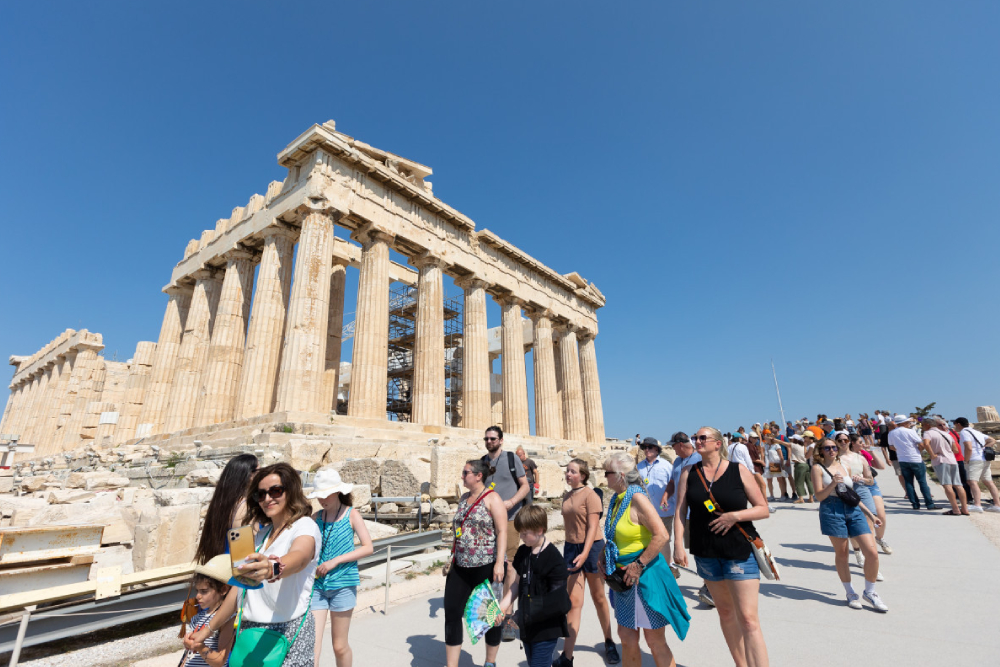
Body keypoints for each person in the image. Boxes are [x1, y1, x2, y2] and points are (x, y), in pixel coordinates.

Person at [187, 463, 321, 666]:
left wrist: (272, 568)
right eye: (261, 494)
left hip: (288, 631)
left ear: (291, 491)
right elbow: (238, 591)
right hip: (250, 632)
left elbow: (300, 556)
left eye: (275, 491)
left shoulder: (304, 526)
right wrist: (206, 631)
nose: (268, 499)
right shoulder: (260, 537)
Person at [673, 427, 770, 667]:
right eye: (695, 437)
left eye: (703, 437)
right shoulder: (688, 472)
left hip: (738, 550)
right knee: (725, 613)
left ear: (718, 444)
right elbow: (679, 511)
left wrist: (734, 516)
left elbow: (763, 508)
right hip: (705, 552)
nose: (697, 440)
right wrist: (678, 544)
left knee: (748, 619)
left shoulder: (739, 470)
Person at [601, 452, 689, 667]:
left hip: (643, 577)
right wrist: (604, 554)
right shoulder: (617, 499)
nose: (604, 477)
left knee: (654, 639)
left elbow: (661, 535)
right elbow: (617, 534)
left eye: (607, 473)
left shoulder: (636, 498)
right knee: (627, 636)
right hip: (623, 578)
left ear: (621, 475)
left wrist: (639, 564)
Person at [444, 459, 509, 667]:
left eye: (465, 473)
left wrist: (500, 562)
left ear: (478, 476)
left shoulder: (493, 498)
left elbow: (502, 531)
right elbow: (459, 529)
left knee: (489, 615)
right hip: (461, 565)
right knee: (452, 612)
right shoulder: (463, 498)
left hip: (486, 565)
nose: (462, 476)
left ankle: (490, 662)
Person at [811, 439, 887, 612]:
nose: (832, 450)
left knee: (872, 552)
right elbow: (819, 496)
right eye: (827, 448)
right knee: (843, 553)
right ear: (820, 450)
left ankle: (870, 592)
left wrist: (870, 514)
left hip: (853, 509)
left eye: (834, 447)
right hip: (832, 510)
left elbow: (851, 494)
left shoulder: (843, 465)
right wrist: (832, 483)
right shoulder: (817, 468)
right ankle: (850, 593)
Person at [555, 459, 618, 667]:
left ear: (582, 475)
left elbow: (593, 527)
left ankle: (609, 641)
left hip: (592, 549)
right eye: (567, 471)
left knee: (599, 597)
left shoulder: (591, 495)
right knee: (573, 602)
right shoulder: (567, 495)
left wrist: (585, 553)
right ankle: (567, 656)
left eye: (572, 471)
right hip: (571, 548)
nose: (568, 474)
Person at [308, 469, 374, 666]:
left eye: (325, 495)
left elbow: (368, 547)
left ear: (337, 492)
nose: (321, 500)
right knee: (312, 645)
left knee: (339, 645)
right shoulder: (315, 517)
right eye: (318, 495)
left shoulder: (351, 514)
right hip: (317, 586)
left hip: (343, 585)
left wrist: (335, 561)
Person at [498, 505, 569, 667]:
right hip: (527, 627)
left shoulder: (554, 559)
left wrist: (523, 614)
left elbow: (558, 600)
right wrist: (504, 604)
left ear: (540, 530)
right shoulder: (523, 552)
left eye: (525, 533)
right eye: (520, 532)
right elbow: (517, 583)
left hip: (546, 628)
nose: (521, 536)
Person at [194, 453, 259, 564]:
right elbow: (246, 550)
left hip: (221, 564)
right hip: (239, 571)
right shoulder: (244, 507)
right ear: (249, 475)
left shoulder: (222, 503)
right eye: (259, 471)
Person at [481, 426, 529, 561]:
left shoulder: (511, 458)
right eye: (486, 438)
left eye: (493, 438)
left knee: (508, 562)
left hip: (510, 518)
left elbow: (525, 486)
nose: (489, 441)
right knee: (488, 560)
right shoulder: (482, 462)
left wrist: (511, 502)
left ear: (501, 440)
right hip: (487, 520)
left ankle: (510, 583)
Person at [181, 557, 235, 667]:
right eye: (197, 591)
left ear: (223, 590)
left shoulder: (227, 620)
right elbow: (188, 655)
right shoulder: (198, 617)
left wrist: (200, 647)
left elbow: (220, 661)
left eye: (204, 591)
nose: (197, 596)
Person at [661, 432, 701, 579]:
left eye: (673, 446)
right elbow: (672, 482)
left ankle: (709, 584)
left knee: (701, 550)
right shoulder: (677, 461)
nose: (673, 449)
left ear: (681, 445)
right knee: (693, 549)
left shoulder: (699, 459)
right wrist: (666, 495)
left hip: (697, 512)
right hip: (682, 512)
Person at [850, 434, 891, 555]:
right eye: (860, 442)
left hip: (871, 484)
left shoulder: (864, 454)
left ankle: (879, 539)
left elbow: (881, 466)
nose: (863, 444)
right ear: (853, 443)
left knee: (881, 516)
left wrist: (871, 452)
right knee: (864, 519)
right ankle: (863, 549)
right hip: (857, 486)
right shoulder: (847, 456)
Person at [888, 414, 937, 510]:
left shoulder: (891, 433)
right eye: (907, 422)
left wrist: (900, 450)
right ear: (904, 423)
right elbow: (920, 443)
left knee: (908, 482)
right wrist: (919, 450)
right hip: (915, 458)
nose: (909, 423)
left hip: (902, 459)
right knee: (922, 482)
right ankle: (929, 504)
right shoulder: (910, 431)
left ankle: (915, 504)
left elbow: (891, 447)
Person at [637, 437, 673, 561]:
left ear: (657, 450)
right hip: (646, 511)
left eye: (650, 447)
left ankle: (668, 567)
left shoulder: (666, 465)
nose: (647, 450)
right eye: (644, 447)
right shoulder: (639, 467)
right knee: (649, 539)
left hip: (664, 509)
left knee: (664, 539)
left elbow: (673, 484)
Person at [921, 417, 968, 515]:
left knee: (947, 485)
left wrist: (932, 454)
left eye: (923, 425)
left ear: (928, 425)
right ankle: (964, 508)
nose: (922, 427)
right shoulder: (946, 434)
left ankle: (955, 509)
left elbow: (926, 443)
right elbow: (956, 450)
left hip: (940, 460)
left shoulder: (928, 433)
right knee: (958, 485)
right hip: (952, 460)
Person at [954, 417, 1000, 513]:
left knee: (972, 482)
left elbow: (968, 447)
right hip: (983, 459)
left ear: (958, 424)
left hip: (973, 460)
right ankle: (997, 504)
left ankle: (977, 505)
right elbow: (992, 440)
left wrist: (966, 460)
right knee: (988, 482)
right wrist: (983, 448)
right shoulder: (976, 432)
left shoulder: (964, 432)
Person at [789, 434, 816, 503]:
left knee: (799, 482)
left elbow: (784, 443)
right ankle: (811, 497)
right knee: (809, 482)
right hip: (806, 464)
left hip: (799, 465)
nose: (791, 440)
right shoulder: (804, 446)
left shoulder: (795, 445)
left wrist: (775, 440)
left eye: (792, 439)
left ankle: (801, 498)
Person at [763, 435, 789, 501]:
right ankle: (771, 495)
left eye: (767, 437)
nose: (766, 438)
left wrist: (782, 464)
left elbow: (781, 456)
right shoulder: (765, 446)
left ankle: (782, 495)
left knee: (779, 479)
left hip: (775, 463)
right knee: (769, 480)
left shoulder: (776, 445)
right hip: (767, 464)